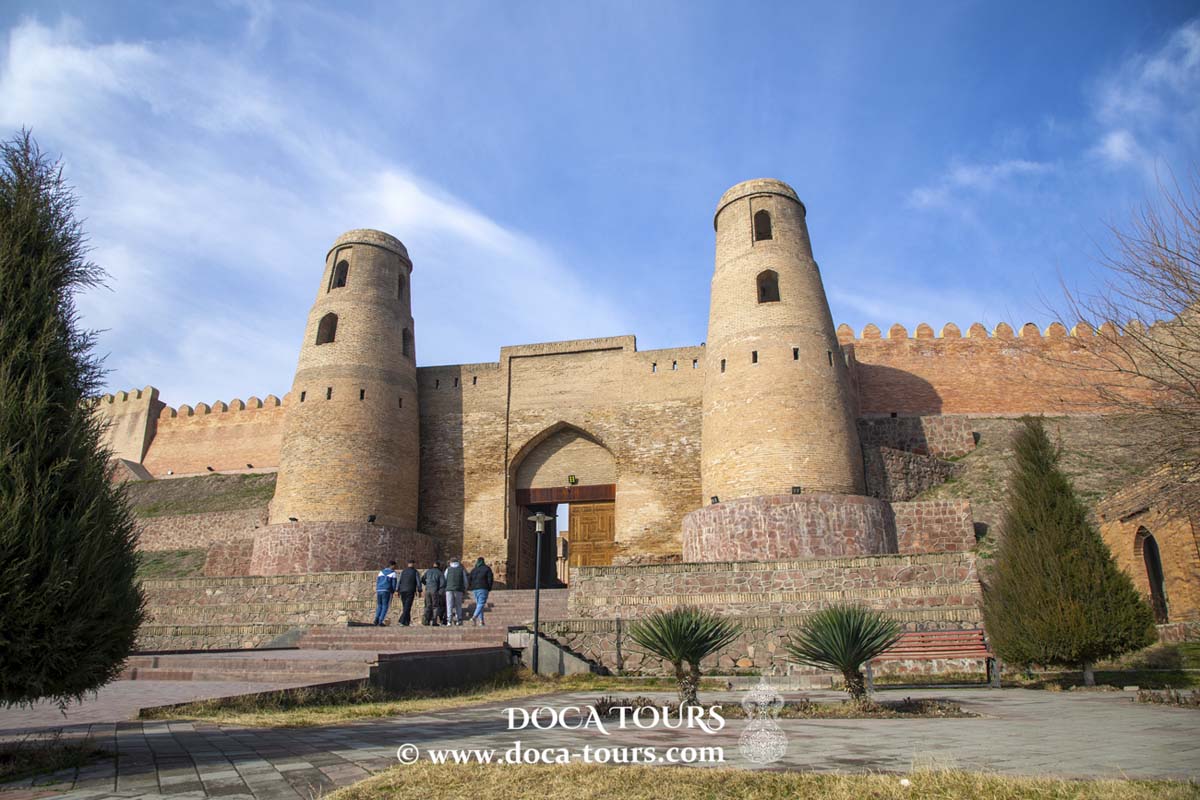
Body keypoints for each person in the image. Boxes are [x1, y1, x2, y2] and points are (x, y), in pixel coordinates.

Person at [467, 557, 494, 626]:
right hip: (483, 588)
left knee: (479, 604)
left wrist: (471, 586)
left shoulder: (474, 570)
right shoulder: (487, 569)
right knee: (481, 603)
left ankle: (481, 621)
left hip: (475, 589)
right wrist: (489, 587)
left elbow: (469, 579)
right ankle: (474, 616)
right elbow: (490, 579)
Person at [395, 559, 422, 626]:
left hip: (402, 591)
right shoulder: (415, 572)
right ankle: (401, 621)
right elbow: (418, 582)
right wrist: (419, 590)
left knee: (406, 606)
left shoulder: (403, 571)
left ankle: (407, 622)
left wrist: (397, 590)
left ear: (408, 564)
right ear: (413, 564)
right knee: (407, 607)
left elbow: (399, 581)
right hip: (410, 590)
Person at [373, 560, 398, 626]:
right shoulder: (393, 573)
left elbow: (378, 581)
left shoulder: (381, 572)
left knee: (379, 605)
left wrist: (378, 588)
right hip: (386, 590)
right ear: (392, 565)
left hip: (379, 590)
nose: (395, 567)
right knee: (385, 606)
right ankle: (380, 621)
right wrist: (393, 591)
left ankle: (376, 619)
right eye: (395, 566)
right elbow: (394, 584)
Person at [421, 560, 446, 626]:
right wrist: (439, 590)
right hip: (434, 590)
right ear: (439, 566)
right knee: (435, 606)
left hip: (427, 590)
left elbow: (422, 579)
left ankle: (426, 621)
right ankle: (434, 622)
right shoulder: (440, 573)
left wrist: (426, 584)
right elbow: (443, 583)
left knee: (427, 606)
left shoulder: (428, 571)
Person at [444, 557, 467, 626]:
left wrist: (445, 587)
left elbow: (445, 578)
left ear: (450, 562)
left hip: (449, 589)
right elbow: (465, 580)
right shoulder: (461, 570)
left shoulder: (448, 569)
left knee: (449, 605)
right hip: (458, 589)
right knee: (458, 605)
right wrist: (465, 588)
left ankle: (449, 620)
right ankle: (459, 619)